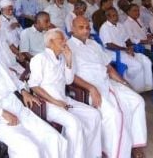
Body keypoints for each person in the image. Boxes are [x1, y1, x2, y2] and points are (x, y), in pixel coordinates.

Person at [0, 32, 68, 158]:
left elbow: (15, 80)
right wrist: (2, 112)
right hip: (0, 121)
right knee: (32, 150)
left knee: (55, 139)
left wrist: (24, 92)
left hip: (20, 111)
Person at [69, 16, 147, 158]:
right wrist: (91, 88)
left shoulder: (93, 44)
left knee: (138, 101)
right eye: (81, 27)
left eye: (87, 27)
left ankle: (135, 144)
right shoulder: (68, 47)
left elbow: (108, 67)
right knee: (113, 115)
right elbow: (70, 76)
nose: (86, 30)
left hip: (107, 82)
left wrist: (123, 82)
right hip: (88, 88)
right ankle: (113, 152)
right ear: (72, 29)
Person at [29, 28, 102, 158]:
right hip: (48, 104)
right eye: (61, 39)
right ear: (51, 42)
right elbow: (34, 86)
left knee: (94, 114)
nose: (65, 41)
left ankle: (91, 154)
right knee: (75, 124)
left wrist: (68, 59)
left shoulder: (62, 57)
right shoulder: (40, 58)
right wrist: (55, 102)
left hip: (64, 100)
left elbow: (68, 81)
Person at [100, 8, 153, 92]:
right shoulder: (104, 28)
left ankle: (146, 86)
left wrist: (130, 47)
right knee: (137, 65)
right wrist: (125, 49)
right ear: (108, 17)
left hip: (124, 50)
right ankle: (125, 79)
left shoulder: (120, 25)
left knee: (146, 61)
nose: (116, 17)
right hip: (113, 53)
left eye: (116, 15)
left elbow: (127, 39)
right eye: (113, 16)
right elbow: (109, 45)